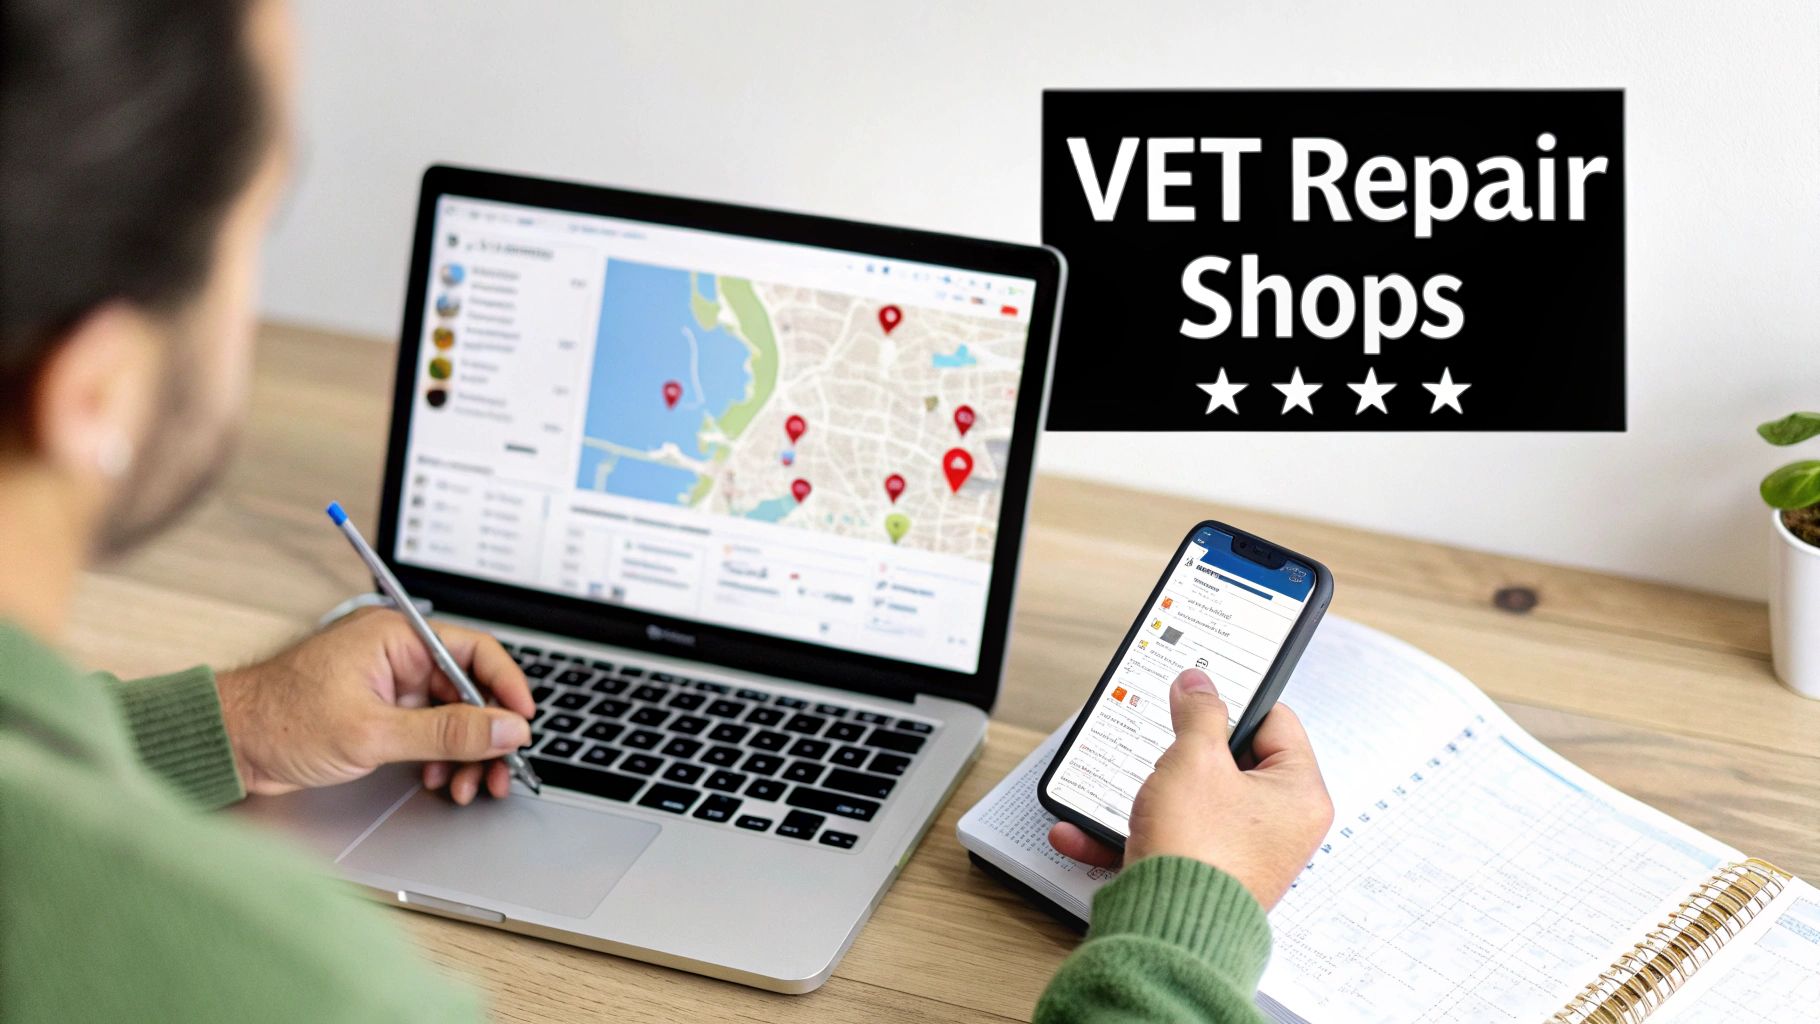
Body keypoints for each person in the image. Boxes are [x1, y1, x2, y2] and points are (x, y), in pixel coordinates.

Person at [0, 0, 1334, 1020]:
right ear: (95, 385)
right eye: (259, 223)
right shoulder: (287, 985)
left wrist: (223, 725)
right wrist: (1187, 925)